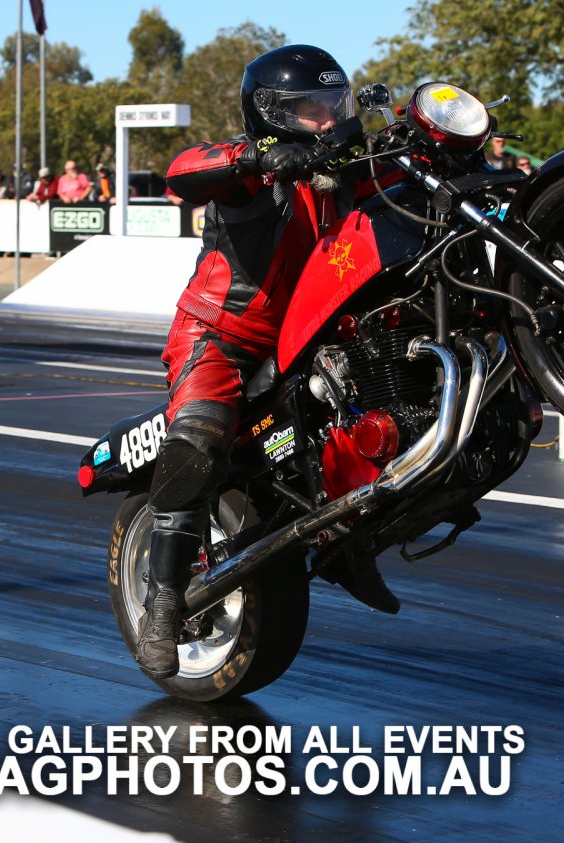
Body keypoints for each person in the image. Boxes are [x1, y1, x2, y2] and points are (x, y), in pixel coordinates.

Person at [133, 44, 396, 679]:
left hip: (312, 332)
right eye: (311, 109)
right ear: (272, 114)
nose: (328, 119)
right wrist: (256, 156)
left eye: (334, 105)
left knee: (381, 412)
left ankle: (345, 546)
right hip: (223, 335)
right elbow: (183, 170)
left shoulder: (342, 169)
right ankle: (165, 602)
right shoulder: (249, 171)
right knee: (198, 442)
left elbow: (400, 185)